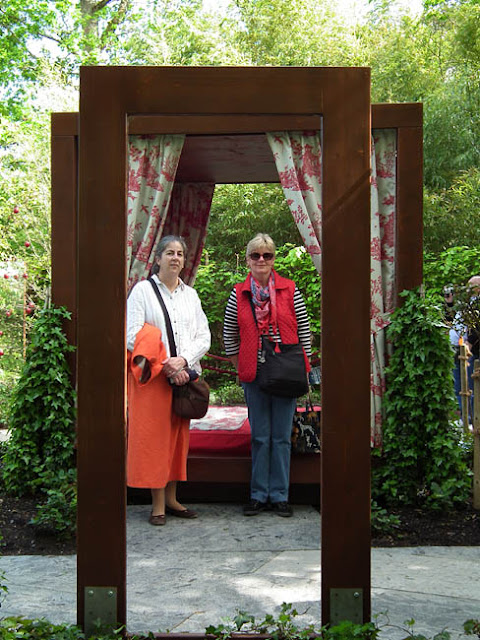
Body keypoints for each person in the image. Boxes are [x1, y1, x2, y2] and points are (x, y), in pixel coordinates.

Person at [223, 233, 311, 517]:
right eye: (255, 255)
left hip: (285, 373)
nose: (261, 260)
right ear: (248, 259)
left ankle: (280, 495)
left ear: (274, 259)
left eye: (267, 255)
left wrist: (304, 371)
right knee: (260, 436)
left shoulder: (290, 290)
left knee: (282, 437)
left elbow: (304, 333)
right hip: (255, 374)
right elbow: (229, 337)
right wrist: (242, 366)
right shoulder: (238, 294)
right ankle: (259, 495)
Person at [126, 235, 211, 526]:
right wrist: (166, 365)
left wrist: (183, 360)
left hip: (184, 376)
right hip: (154, 379)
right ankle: (158, 504)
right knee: (155, 440)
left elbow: (204, 335)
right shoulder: (142, 291)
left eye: (180, 254)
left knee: (177, 440)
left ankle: (173, 499)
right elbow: (132, 334)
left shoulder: (191, 295)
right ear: (158, 258)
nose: (175, 258)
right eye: (169, 253)